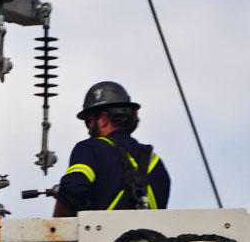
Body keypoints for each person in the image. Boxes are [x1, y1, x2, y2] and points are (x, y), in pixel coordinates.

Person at [56, 81, 171, 214]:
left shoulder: (89, 149)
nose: (88, 131)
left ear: (103, 119)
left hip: (102, 234)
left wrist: (55, 229)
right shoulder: (156, 164)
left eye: (89, 122)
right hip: (150, 234)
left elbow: (72, 192)